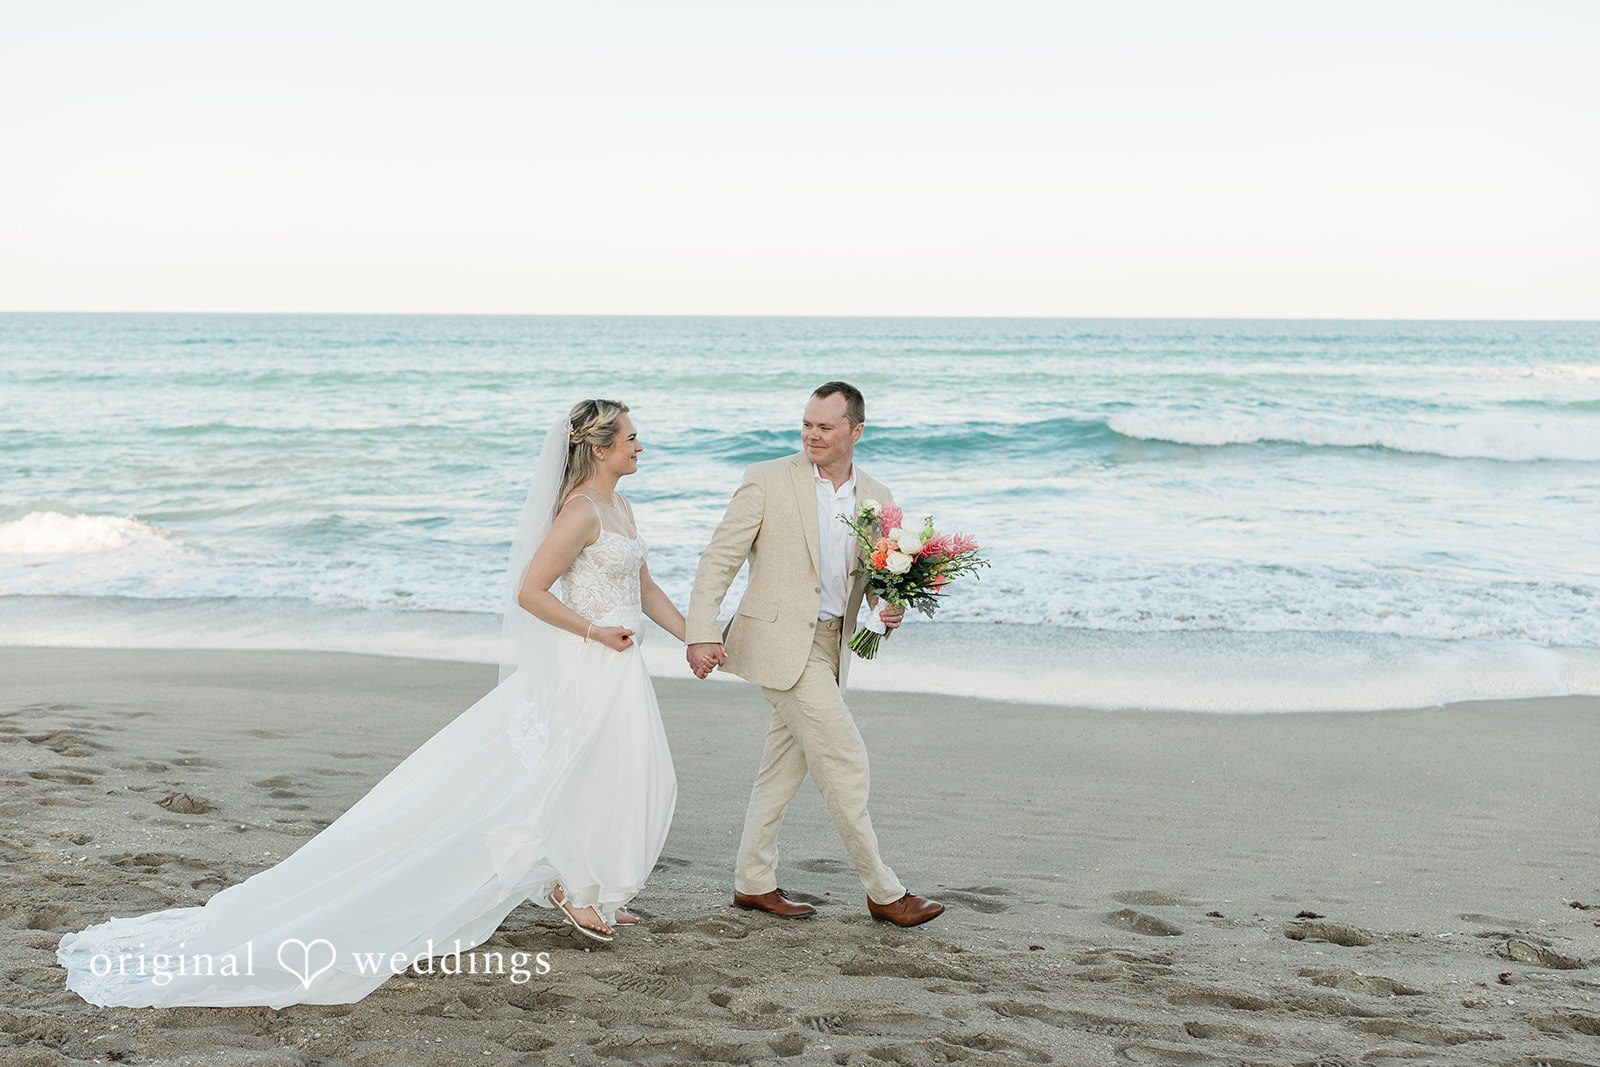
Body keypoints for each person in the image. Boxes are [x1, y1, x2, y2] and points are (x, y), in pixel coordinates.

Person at [56, 398, 682, 1007]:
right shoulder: (580, 512)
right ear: (599, 448)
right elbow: (531, 592)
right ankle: (573, 887)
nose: (640, 445)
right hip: (586, 663)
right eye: (631, 437)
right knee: (565, 774)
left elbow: (644, 589)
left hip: (619, 667)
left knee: (612, 773)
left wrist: (697, 639)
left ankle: (592, 885)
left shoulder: (620, 506)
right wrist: (593, 631)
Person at [685, 381, 944, 928]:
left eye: (825, 427)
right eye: (807, 424)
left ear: (856, 431)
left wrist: (886, 609)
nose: (812, 435)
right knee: (844, 758)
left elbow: (876, 577)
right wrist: (700, 631)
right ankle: (884, 891)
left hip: (832, 645)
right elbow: (719, 559)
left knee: (782, 768)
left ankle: (752, 882)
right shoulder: (766, 479)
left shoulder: (877, 495)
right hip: (779, 642)